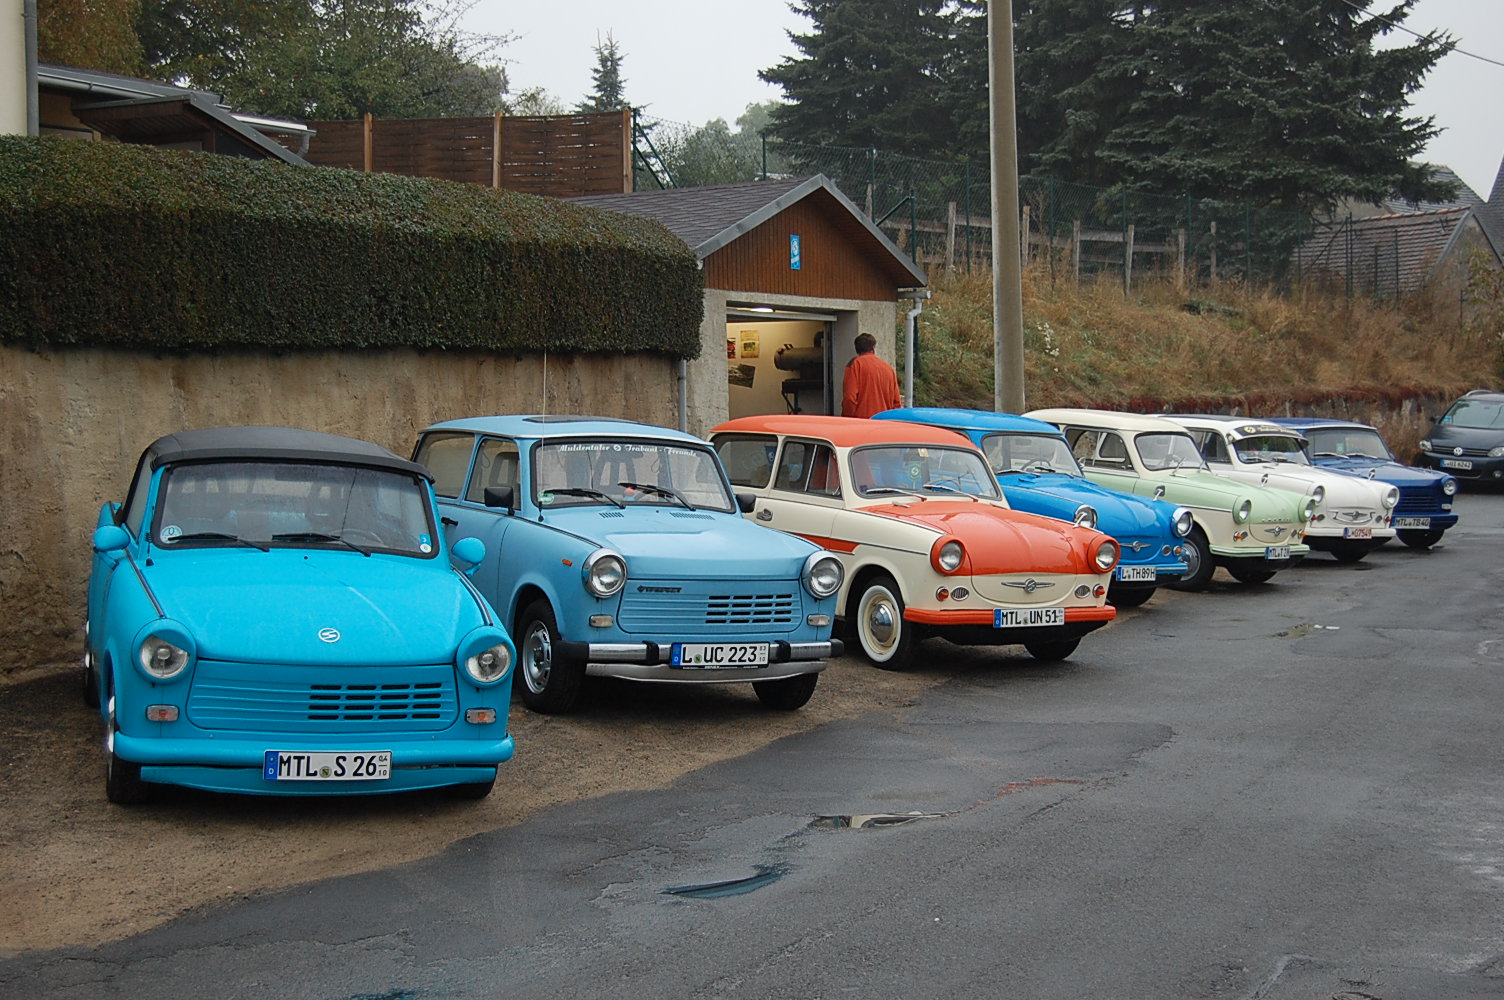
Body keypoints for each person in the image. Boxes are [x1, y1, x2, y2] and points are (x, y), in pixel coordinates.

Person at [840, 332, 901, 418]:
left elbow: (850, 398)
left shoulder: (855, 365)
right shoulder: (888, 369)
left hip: (862, 421)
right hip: (884, 421)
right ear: (873, 348)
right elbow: (896, 403)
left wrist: (848, 418)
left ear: (856, 349)